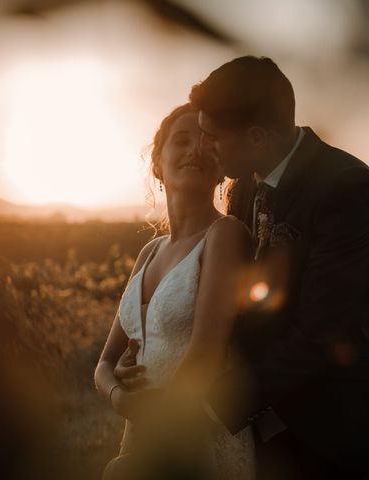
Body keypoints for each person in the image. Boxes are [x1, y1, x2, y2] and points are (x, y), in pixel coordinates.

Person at [113, 55, 369, 480]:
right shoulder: (248, 184)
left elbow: (321, 333)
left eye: (212, 137)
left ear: (255, 136)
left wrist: (212, 405)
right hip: (256, 431)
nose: (205, 147)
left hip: (324, 428)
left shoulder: (345, 186)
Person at [94, 103, 256, 479]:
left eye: (207, 141)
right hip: (142, 430)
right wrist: (121, 398)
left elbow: (206, 352)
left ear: (222, 168)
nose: (195, 150)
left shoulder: (225, 234)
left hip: (197, 433)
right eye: (181, 141)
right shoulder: (149, 252)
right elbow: (104, 364)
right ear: (157, 162)